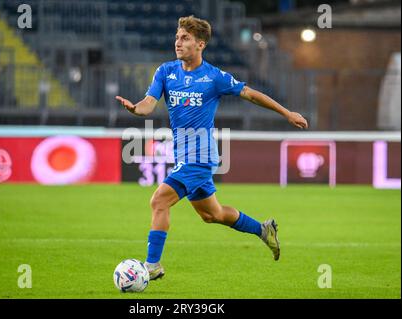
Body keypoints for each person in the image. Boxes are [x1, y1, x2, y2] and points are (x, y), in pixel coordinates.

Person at [116, 16, 308, 280]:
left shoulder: (213, 77)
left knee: (159, 200)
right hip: (183, 156)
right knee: (213, 214)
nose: (178, 42)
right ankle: (263, 230)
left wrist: (286, 113)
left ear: (200, 44)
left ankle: (152, 266)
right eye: (177, 37)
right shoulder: (165, 71)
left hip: (201, 157)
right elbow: (150, 102)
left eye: (185, 38)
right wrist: (137, 109)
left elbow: (251, 94)